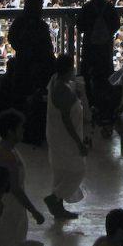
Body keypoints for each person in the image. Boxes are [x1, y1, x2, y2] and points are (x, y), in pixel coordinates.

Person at [0, 109, 45, 246]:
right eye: (20, 127)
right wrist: (34, 211)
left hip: (3, 203)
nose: (23, 130)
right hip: (9, 208)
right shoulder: (7, 156)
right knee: (9, 245)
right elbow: (15, 189)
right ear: (11, 132)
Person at [44, 55, 88, 220]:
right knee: (77, 169)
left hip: (57, 135)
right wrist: (78, 143)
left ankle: (58, 207)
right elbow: (66, 120)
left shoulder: (56, 80)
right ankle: (54, 198)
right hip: (65, 137)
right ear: (69, 69)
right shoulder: (61, 89)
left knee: (61, 171)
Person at [75, 0, 122, 132]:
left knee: (86, 76)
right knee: (106, 77)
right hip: (105, 49)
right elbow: (116, 25)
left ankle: (89, 106)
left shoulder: (87, 8)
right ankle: (105, 109)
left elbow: (80, 26)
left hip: (90, 48)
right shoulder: (110, 8)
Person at [7, 0, 56, 110]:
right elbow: (48, 48)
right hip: (37, 65)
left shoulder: (20, 22)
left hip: (25, 62)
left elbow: (12, 38)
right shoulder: (40, 25)